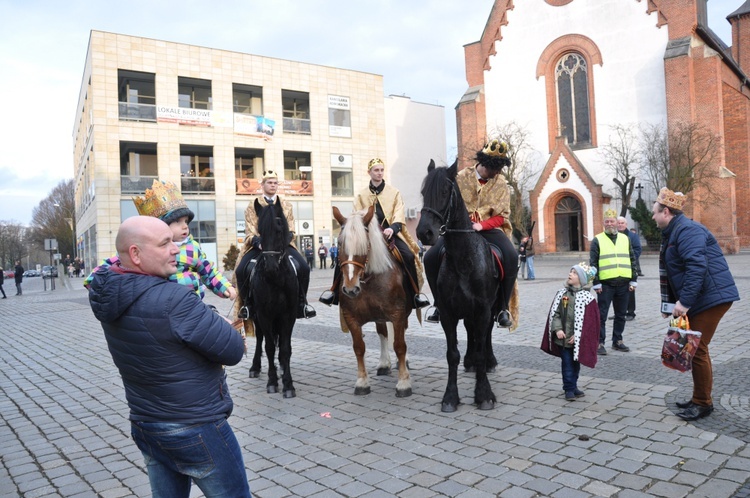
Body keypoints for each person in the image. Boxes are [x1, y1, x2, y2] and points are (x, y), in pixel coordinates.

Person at [87, 216, 251, 498]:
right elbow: (233, 350)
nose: (176, 249)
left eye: (174, 241)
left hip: (146, 426)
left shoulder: (109, 291)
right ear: (135, 254)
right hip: (196, 428)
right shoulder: (174, 299)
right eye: (165, 244)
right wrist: (218, 322)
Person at [652, 187, 739, 421]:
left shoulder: (687, 230)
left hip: (711, 297)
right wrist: (670, 305)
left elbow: (696, 268)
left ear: (666, 212)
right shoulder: (675, 231)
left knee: (698, 349)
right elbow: (674, 272)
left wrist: (684, 302)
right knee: (696, 348)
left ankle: (703, 403)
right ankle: (699, 397)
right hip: (704, 296)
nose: (652, 217)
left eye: (655, 212)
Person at [85, 180, 237, 302]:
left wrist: (225, 287)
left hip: (192, 305)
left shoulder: (192, 248)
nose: (185, 226)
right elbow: (117, 261)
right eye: (177, 221)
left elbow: (208, 272)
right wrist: (94, 280)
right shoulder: (145, 248)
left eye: (186, 221)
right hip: (160, 305)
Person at [423, 140, 519, 327]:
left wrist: (482, 226)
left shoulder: (501, 184)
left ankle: (502, 308)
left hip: (489, 229)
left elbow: (502, 216)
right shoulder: (460, 177)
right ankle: (438, 305)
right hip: (458, 229)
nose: (497, 173)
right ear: (485, 164)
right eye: (495, 169)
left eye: (499, 169)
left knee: (512, 256)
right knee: (430, 258)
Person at [319, 157, 429, 309]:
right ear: (369, 172)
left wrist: (393, 228)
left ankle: (415, 295)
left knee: (409, 256)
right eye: (376, 170)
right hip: (367, 235)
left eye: (382, 170)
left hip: (390, 233)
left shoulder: (394, 193)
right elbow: (356, 216)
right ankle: (334, 293)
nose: (379, 173)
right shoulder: (361, 195)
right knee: (345, 255)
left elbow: (399, 213)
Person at [233, 169, 315, 319]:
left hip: (282, 246)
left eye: (275, 183)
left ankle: (301, 304)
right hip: (260, 247)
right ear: (262, 185)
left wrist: (284, 240)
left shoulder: (286, 205)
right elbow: (250, 229)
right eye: (269, 183)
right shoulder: (253, 205)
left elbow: (291, 228)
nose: (273, 185)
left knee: (304, 267)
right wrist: (259, 242)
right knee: (240, 270)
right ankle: (248, 305)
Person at [540, 262, 599, 400]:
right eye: (570, 271)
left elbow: (590, 323)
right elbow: (556, 314)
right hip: (563, 339)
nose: (570, 274)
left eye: (574, 272)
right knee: (567, 364)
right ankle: (568, 389)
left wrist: (579, 336)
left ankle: (574, 385)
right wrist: (558, 329)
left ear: (581, 279)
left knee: (576, 364)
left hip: (577, 341)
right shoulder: (562, 294)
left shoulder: (588, 299)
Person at [589, 208, 637, 355]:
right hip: (605, 285)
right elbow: (593, 263)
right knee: (601, 315)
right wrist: (595, 282)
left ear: (617, 222)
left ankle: (617, 340)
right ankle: (599, 343)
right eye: (607, 221)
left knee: (621, 314)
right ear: (604, 223)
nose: (610, 223)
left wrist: (633, 280)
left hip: (623, 283)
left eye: (612, 221)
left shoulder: (625, 239)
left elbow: (632, 259)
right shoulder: (598, 239)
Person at [617, 216, 641, 320]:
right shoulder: (613, 236)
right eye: (618, 223)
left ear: (626, 224)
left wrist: (628, 260)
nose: (620, 224)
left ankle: (630, 312)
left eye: (622, 223)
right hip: (616, 268)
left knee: (630, 290)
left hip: (629, 267)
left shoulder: (632, 236)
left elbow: (637, 249)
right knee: (617, 291)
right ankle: (619, 312)